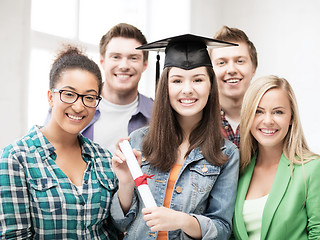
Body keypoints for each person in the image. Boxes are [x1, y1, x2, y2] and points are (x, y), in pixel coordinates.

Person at [110, 34, 240, 240]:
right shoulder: (139, 141)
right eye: (177, 80)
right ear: (165, 87)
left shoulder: (226, 153)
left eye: (198, 79)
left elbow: (222, 229)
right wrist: (125, 182)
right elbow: (120, 223)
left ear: (210, 86)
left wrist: (182, 220)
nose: (187, 90)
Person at [0, 46, 118, 239]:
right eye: (69, 94)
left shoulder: (104, 158)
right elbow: (14, 236)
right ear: (50, 97)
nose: (79, 106)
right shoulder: (16, 158)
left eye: (89, 97)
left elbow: (116, 229)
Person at [232, 75, 320, 239]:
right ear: (247, 116)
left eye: (278, 112)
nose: (268, 121)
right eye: (258, 111)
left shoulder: (313, 169)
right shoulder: (238, 170)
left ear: (291, 118)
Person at [46, 23, 153, 154]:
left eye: (133, 58)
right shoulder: (70, 106)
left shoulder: (158, 113)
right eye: (116, 57)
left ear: (145, 64)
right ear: (102, 61)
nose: (124, 65)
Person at [210, 26, 258, 148]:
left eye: (240, 61)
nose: (231, 70)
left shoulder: (268, 120)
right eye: (222, 62)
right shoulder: (198, 120)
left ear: (253, 69)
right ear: (210, 72)